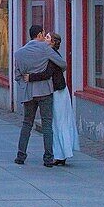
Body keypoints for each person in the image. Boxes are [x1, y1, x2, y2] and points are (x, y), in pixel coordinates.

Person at [13, 24, 67, 167]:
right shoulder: (46, 49)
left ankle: (20, 155)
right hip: (44, 91)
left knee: (26, 124)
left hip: (28, 92)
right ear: (39, 35)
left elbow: (17, 76)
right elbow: (63, 64)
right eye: (43, 34)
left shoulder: (19, 53)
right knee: (47, 125)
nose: (44, 37)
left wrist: (26, 80)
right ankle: (48, 158)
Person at [26, 33, 79, 165]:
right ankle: (60, 153)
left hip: (58, 92)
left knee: (59, 122)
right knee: (58, 122)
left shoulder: (52, 54)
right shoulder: (49, 53)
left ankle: (61, 154)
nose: (45, 38)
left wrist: (31, 77)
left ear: (53, 42)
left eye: (48, 37)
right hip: (57, 91)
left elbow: (47, 73)